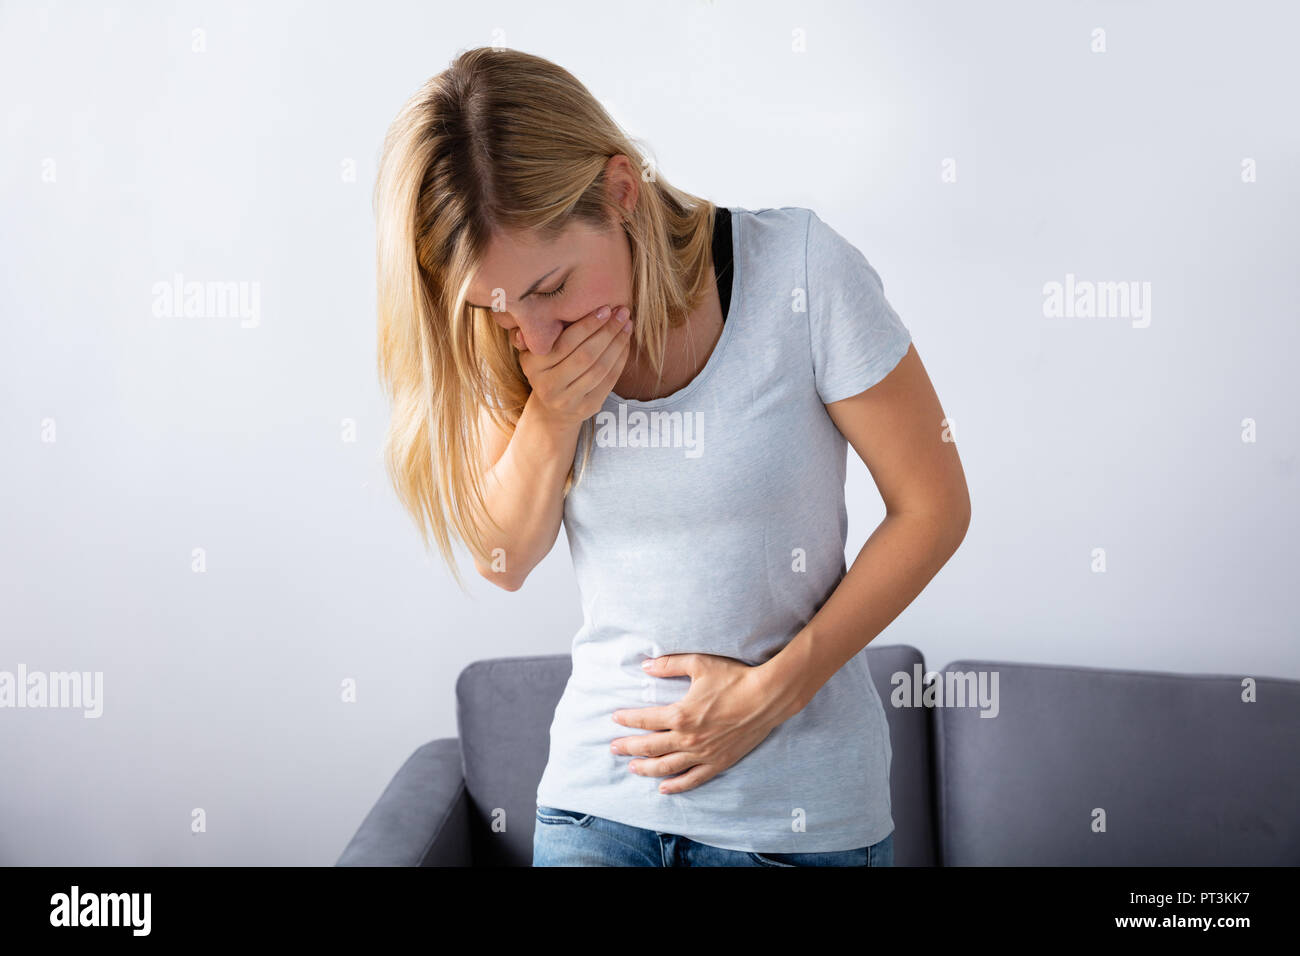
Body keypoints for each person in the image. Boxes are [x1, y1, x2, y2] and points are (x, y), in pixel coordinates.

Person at [373, 46, 971, 867]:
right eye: (502, 311)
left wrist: (772, 693)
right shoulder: (516, 334)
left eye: (551, 289)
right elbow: (504, 559)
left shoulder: (800, 271)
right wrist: (552, 414)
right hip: (596, 809)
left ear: (621, 191)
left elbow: (934, 507)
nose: (535, 335)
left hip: (796, 819)